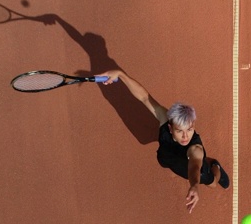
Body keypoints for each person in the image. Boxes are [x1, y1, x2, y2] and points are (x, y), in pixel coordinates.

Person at [96, 69, 230, 214]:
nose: (186, 137)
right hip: (167, 156)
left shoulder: (195, 148)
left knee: (213, 184)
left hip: (190, 169)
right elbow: (144, 97)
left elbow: (194, 167)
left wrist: (194, 185)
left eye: (189, 130)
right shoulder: (165, 119)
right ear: (170, 128)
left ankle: (214, 164)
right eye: (180, 131)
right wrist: (121, 74)